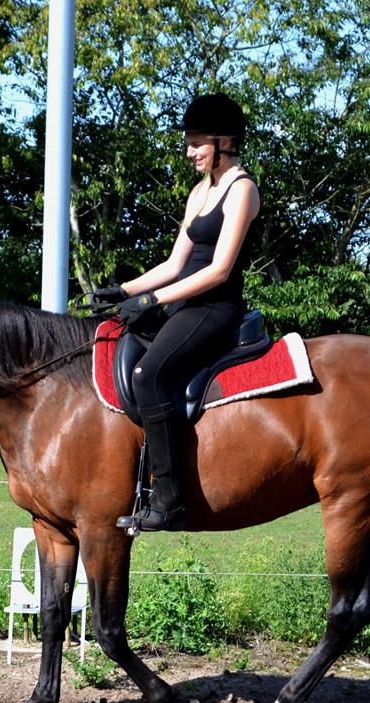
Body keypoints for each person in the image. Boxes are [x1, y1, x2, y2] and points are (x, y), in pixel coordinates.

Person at [93, 92, 261, 533]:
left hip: (215, 307)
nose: (189, 152)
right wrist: (123, 290)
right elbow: (173, 264)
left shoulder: (242, 190)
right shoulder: (200, 191)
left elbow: (219, 270)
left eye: (196, 143)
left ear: (225, 142)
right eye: (188, 143)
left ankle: (168, 501)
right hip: (184, 305)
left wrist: (152, 301)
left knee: (147, 375)